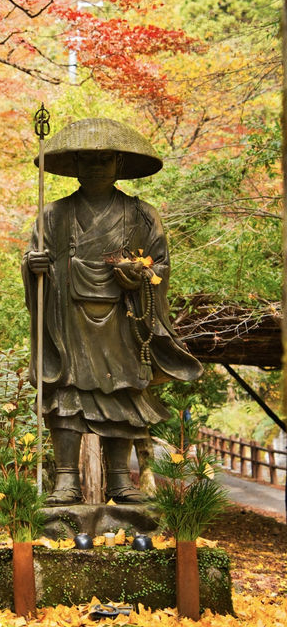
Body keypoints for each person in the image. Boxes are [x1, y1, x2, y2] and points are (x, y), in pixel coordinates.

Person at [22, 118, 202, 505]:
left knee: (120, 395)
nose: (95, 167)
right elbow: (35, 263)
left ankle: (121, 480)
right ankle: (66, 480)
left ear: (118, 165)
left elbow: (162, 267)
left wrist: (140, 273)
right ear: (75, 166)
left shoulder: (142, 215)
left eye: (104, 160)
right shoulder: (53, 215)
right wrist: (35, 267)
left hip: (123, 319)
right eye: (87, 160)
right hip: (67, 319)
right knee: (67, 395)